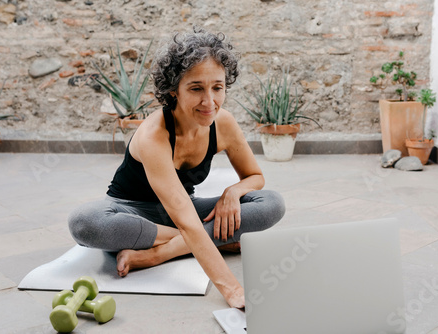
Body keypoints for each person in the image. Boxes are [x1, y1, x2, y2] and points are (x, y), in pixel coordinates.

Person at [68, 28, 285, 308]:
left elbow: (255, 177)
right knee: (85, 222)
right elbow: (186, 221)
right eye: (196, 88)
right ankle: (213, 241)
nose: (209, 102)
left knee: (271, 203)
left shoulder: (224, 123)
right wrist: (232, 290)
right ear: (174, 90)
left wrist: (233, 192)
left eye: (217, 87)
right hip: (132, 212)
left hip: (185, 211)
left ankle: (159, 252)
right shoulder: (154, 135)